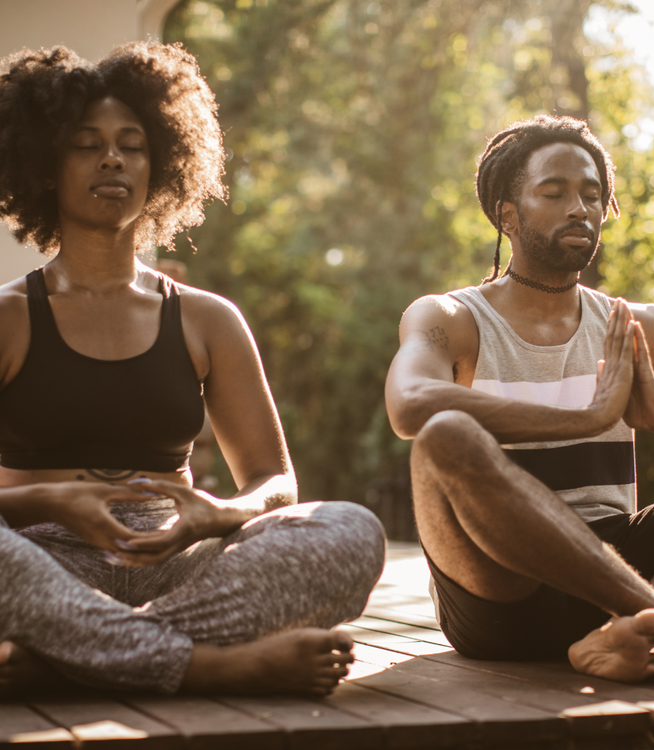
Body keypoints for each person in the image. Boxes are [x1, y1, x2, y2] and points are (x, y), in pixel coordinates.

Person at [0, 42, 385, 697]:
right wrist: (47, 499)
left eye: (133, 144)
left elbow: (273, 481)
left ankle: (78, 656)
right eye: (86, 144)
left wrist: (219, 513)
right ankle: (210, 666)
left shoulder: (208, 320)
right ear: (42, 166)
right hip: (41, 559)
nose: (113, 158)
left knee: (352, 530)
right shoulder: (8, 317)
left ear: (163, 165)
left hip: (179, 561)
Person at [385, 114, 654, 683]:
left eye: (591, 194)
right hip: (504, 594)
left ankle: (632, 627)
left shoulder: (637, 324)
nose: (578, 207)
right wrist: (585, 417)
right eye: (553, 193)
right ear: (507, 214)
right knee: (442, 436)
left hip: (626, 575)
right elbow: (409, 404)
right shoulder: (451, 317)